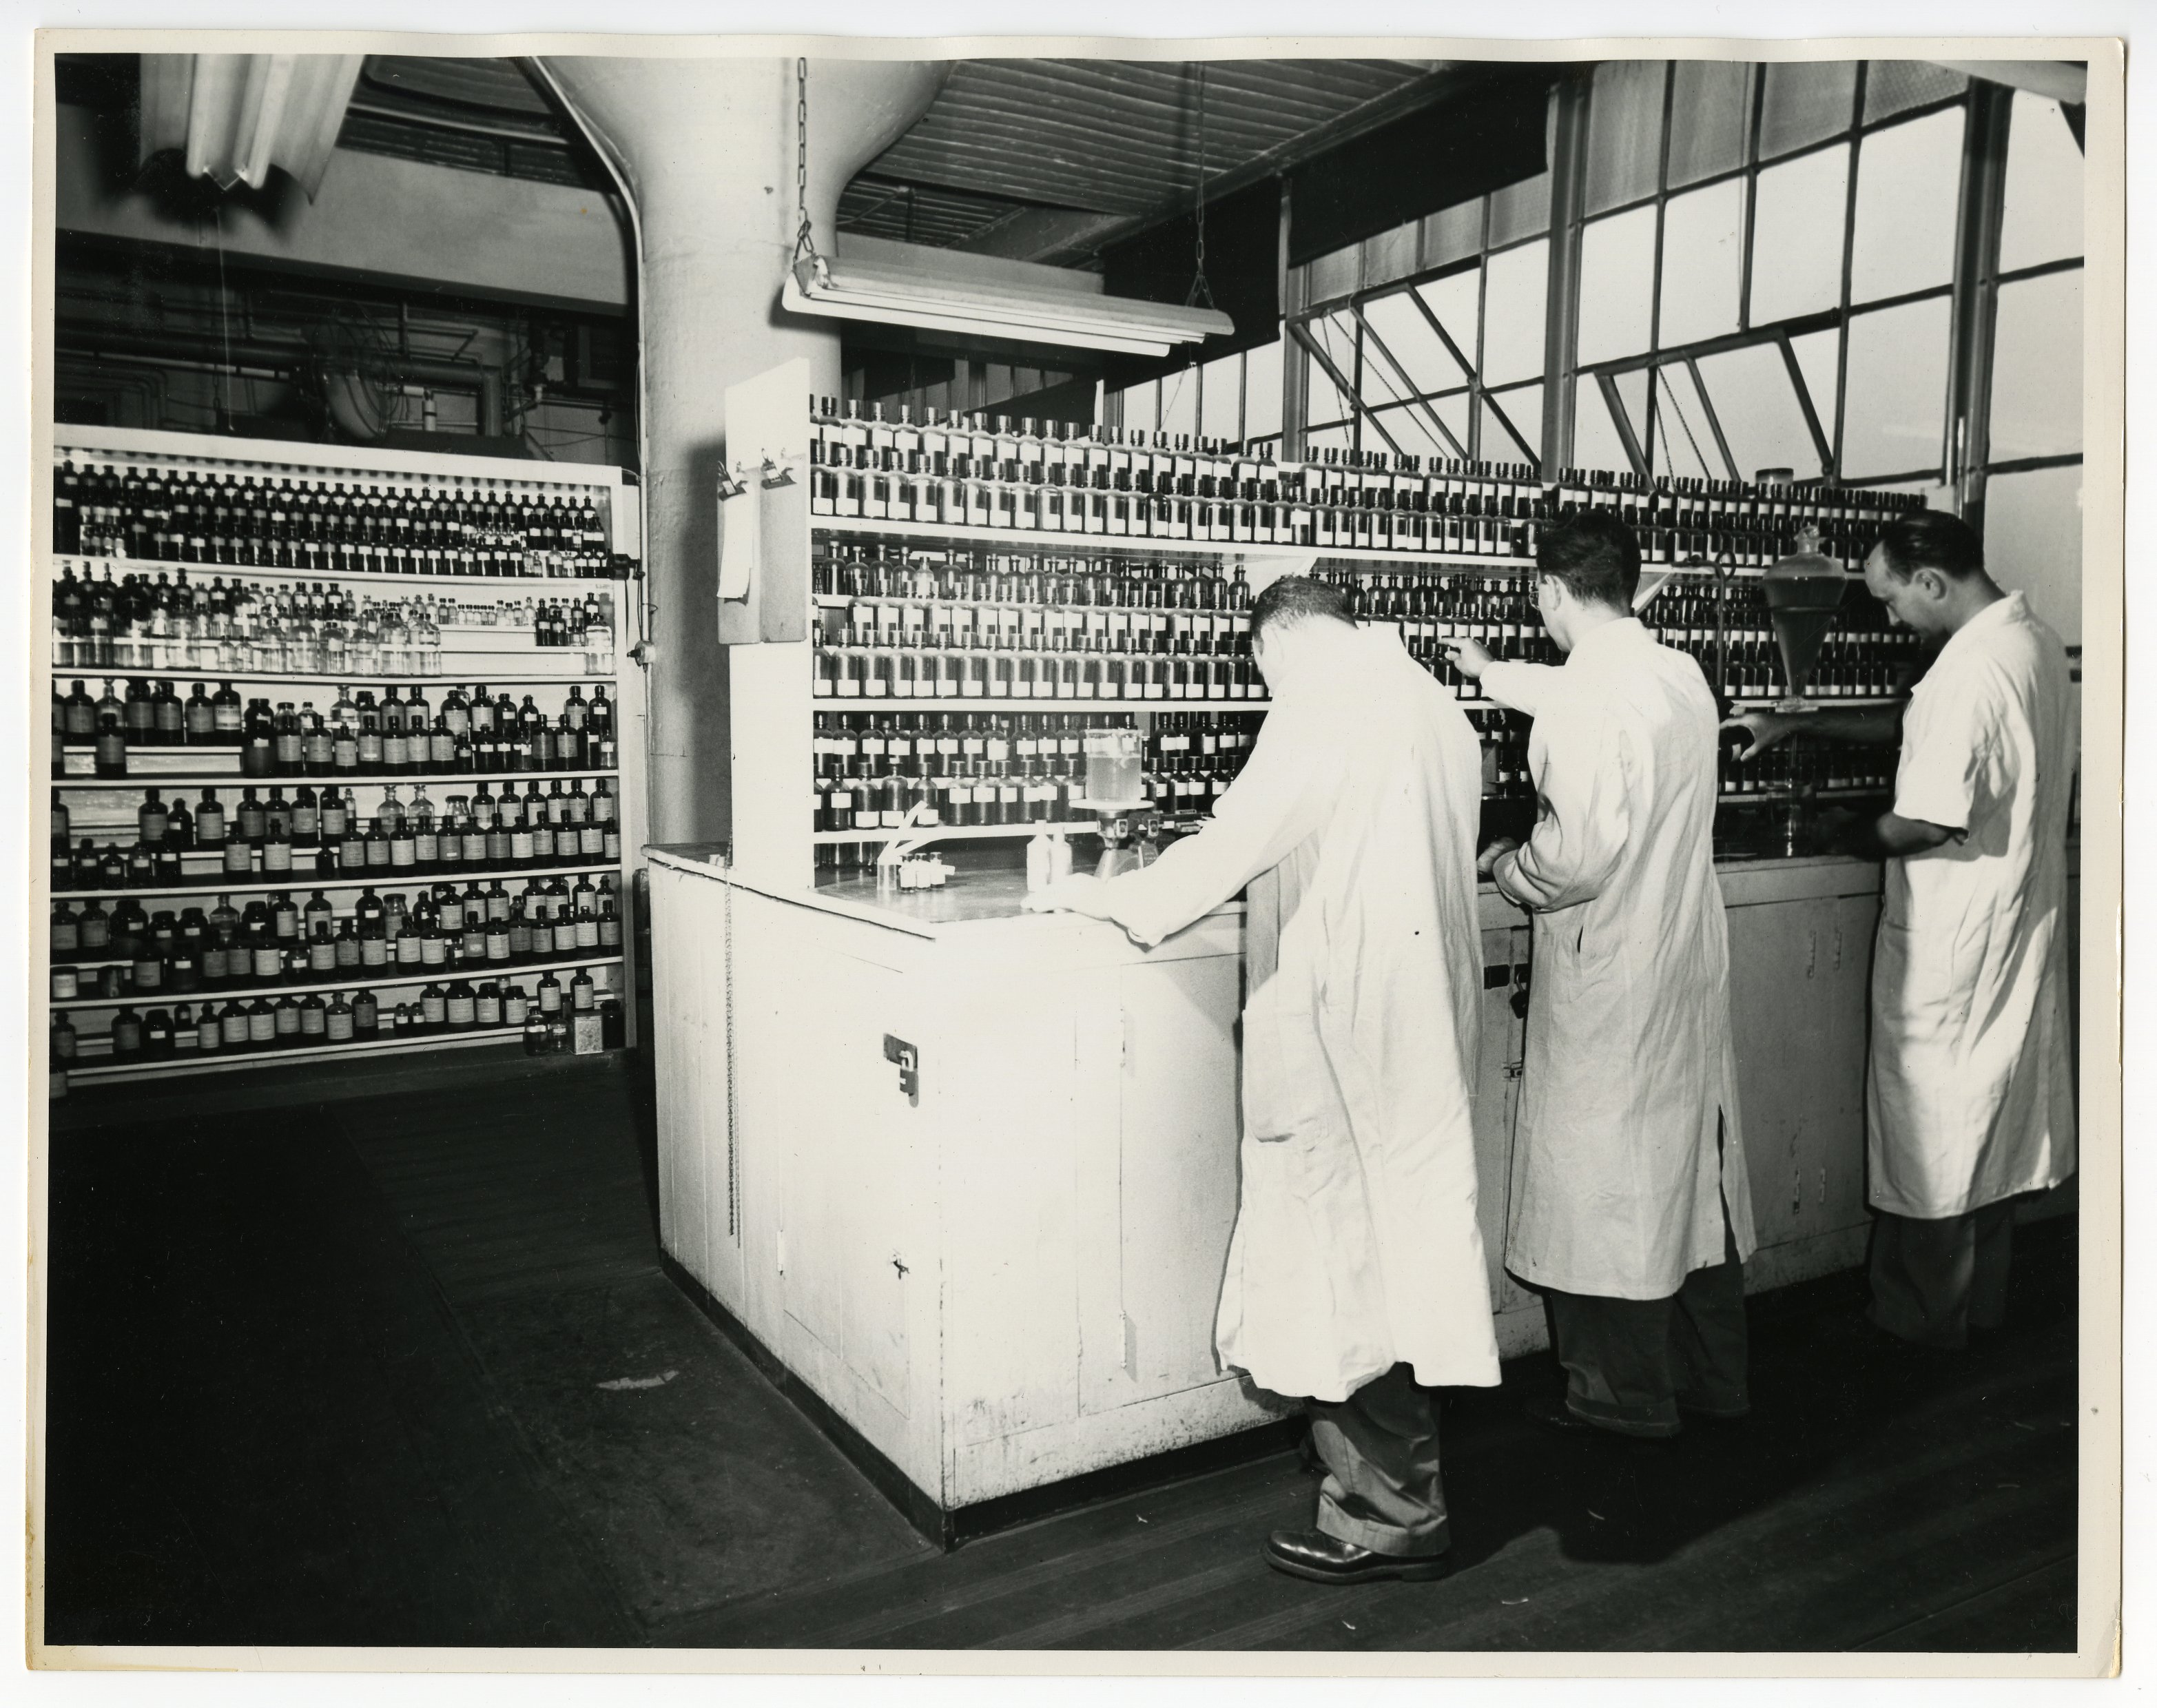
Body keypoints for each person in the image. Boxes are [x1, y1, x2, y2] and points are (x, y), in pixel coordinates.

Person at [1026, 575, 1498, 1585]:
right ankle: (1385, 1483)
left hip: (1344, 1029)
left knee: (1345, 1267)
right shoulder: (1430, 702)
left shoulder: (1320, 695)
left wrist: (1098, 896)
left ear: (1276, 640)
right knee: (1390, 1260)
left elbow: (1229, 848)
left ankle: (1389, 1515)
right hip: (1411, 1021)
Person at [1725, 510, 2075, 1350]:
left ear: (1930, 581)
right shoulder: (2026, 642)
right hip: (2009, 927)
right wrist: (1796, 720)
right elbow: (1912, 719)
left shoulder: (1970, 671)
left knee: (1934, 1137)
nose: (1889, 619)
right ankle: (1973, 1312)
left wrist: (1838, 830)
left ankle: (1912, 1329)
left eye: (1891, 601)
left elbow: (1922, 819)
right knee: (1987, 1133)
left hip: (1953, 942)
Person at [1445, 511, 1757, 1441]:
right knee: (1686, 1184)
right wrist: (1487, 671)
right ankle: (1712, 1379)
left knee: (1601, 1191)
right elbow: (1585, 696)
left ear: (1546, 591)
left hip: (1609, 970)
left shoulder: (1587, 697)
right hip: (1677, 962)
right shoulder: (1674, 673)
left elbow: (1571, 859)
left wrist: (1507, 866)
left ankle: (1620, 1399)